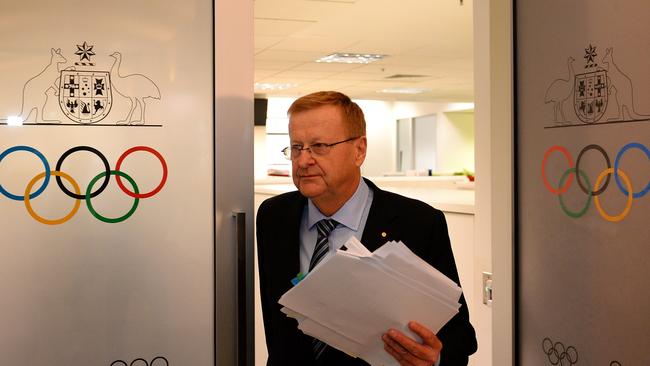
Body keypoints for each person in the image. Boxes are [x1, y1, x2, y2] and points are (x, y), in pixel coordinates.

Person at [256, 91, 477, 366]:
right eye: (296, 147)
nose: (303, 161)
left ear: (359, 150)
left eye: (319, 146)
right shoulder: (273, 217)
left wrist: (436, 358)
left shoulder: (417, 223)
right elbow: (276, 325)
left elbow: (460, 337)